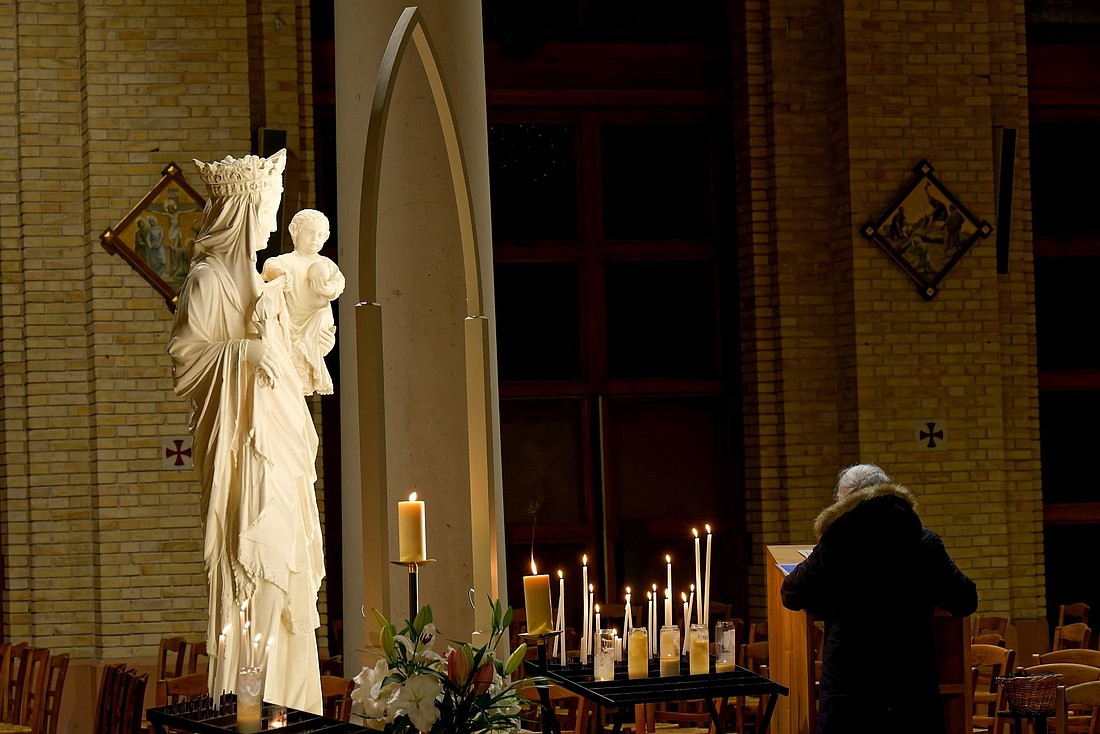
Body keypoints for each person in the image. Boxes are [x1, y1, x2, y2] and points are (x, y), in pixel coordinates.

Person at [167, 149, 325, 713]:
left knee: (287, 562)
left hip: (280, 441)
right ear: (243, 211)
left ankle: (293, 702)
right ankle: (254, 703)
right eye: (269, 209)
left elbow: (297, 363)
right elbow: (186, 359)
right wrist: (243, 351)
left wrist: (304, 315)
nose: (273, 221)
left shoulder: (268, 283)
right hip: (241, 451)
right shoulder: (208, 282)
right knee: (251, 563)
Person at [781, 464, 977, 734]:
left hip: (850, 690)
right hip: (911, 688)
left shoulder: (835, 544)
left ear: (847, 501)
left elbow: (792, 595)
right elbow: (965, 600)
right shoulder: (924, 542)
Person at [261, 209, 344, 396]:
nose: (315, 239)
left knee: (323, 313)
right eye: (310, 233)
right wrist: (281, 273)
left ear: (327, 236)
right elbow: (269, 266)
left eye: (321, 235)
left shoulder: (326, 264)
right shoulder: (287, 261)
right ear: (294, 231)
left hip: (316, 321)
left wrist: (326, 290)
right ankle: (301, 348)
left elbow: (339, 284)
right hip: (292, 323)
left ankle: (309, 352)